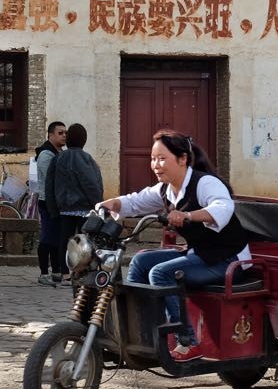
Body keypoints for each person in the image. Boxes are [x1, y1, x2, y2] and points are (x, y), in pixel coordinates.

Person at [100, 130, 249, 360]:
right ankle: (141, 334)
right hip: (200, 255)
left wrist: (189, 216)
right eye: (153, 159)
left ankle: (187, 341)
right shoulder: (165, 190)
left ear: (182, 159)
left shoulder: (205, 182)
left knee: (161, 273)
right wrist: (113, 203)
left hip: (228, 260)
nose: (155, 165)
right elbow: (136, 201)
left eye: (162, 158)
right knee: (140, 261)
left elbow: (223, 208)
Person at [45, 123, 104, 280]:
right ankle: (82, 271)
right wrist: (98, 204)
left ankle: (65, 273)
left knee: (65, 241)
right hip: (84, 208)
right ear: (83, 140)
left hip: (64, 208)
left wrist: (53, 209)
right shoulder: (87, 159)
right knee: (85, 242)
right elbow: (92, 184)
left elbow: (49, 186)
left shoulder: (58, 159)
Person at [33, 121, 67, 286]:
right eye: (60, 133)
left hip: (58, 202)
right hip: (47, 201)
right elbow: (51, 179)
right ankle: (43, 273)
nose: (64, 136)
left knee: (57, 238)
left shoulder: (59, 152)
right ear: (51, 135)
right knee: (47, 237)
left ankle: (56, 271)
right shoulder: (46, 154)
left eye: (65, 133)